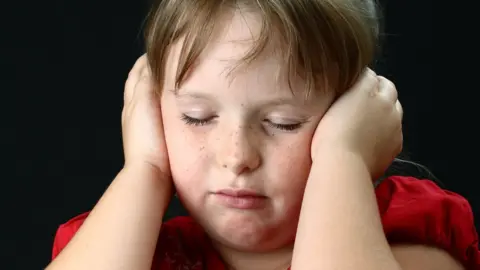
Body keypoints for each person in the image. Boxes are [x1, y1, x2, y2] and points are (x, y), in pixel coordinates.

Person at [46, 0, 479, 269]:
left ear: (355, 117)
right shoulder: (128, 246)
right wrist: (145, 168)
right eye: (197, 116)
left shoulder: (405, 234)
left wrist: (342, 160)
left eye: (284, 122)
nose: (237, 156)